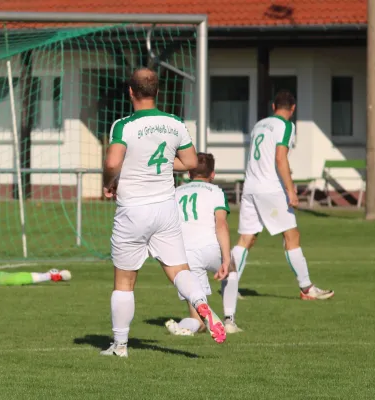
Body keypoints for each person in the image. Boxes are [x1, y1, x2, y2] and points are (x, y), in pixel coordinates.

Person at [100, 68, 226, 358]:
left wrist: (110, 182)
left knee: (124, 281)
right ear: (158, 91)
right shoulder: (174, 123)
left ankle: (119, 346)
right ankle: (200, 303)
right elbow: (192, 161)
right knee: (178, 270)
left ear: (131, 92)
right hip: (165, 210)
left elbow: (112, 161)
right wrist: (163, 165)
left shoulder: (124, 125)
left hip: (133, 210)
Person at [232, 90, 333, 300]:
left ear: (273, 107)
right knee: (291, 236)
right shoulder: (286, 126)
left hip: (250, 186)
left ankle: (229, 286)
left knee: (246, 239)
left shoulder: (259, 125)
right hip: (270, 189)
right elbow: (280, 158)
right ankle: (306, 288)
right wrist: (290, 190)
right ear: (293, 109)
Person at [165, 153, 242, 337]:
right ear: (213, 174)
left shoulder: (176, 192)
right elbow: (221, 224)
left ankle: (185, 327)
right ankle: (229, 320)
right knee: (231, 270)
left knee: (197, 317)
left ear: (189, 173)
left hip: (185, 254)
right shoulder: (215, 191)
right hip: (209, 248)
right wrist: (225, 258)